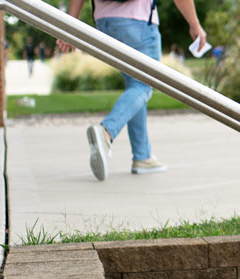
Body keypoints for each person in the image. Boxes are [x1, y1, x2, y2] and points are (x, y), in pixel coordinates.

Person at [58, 0, 206, 181]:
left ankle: (142, 156)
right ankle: (106, 132)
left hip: (105, 23)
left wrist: (69, 25)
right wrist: (195, 24)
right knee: (144, 85)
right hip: (139, 22)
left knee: (135, 85)